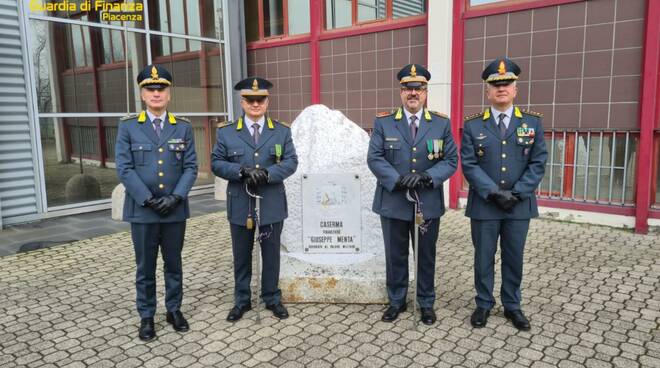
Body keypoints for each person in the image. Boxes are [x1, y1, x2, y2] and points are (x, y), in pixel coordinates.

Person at [461, 57, 548, 331]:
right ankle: (483, 304)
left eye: (506, 83)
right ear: (487, 90)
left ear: (515, 89)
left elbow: (538, 161)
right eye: (495, 84)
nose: (501, 88)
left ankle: (512, 306)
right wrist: (493, 192)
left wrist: (517, 193)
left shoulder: (532, 122)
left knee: (514, 257)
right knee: (483, 257)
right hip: (485, 205)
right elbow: (469, 163)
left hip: (518, 206)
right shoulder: (474, 125)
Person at [367, 64, 458, 325]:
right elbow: (374, 158)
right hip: (393, 202)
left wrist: (427, 177)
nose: (413, 93)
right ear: (401, 92)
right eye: (408, 88)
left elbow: (451, 160)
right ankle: (396, 301)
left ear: (426, 92)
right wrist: (398, 180)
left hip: (427, 202)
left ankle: (426, 302)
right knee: (395, 255)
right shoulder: (384, 122)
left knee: (426, 255)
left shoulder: (440, 123)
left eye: (418, 89)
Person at [116, 64, 198, 341]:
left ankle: (174, 310)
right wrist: (148, 200)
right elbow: (124, 168)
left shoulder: (183, 127)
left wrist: (176, 197)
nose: (155, 93)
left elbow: (191, 167)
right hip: (143, 212)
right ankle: (147, 315)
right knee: (145, 267)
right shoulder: (128, 126)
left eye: (161, 88)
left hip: (174, 210)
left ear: (169, 94)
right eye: (150, 89)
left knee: (173, 264)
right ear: (142, 94)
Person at [211, 77, 298, 322]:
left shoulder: (282, 131)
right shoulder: (227, 132)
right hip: (241, 201)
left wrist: (268, 174)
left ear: (267, 101)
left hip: (270, 201)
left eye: (260, 99)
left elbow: (291, 162)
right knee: (241, 254)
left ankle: (272, 297)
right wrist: (241, 172)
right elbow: (216, 163)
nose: (256, 103)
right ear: (242, 102)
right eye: (250, 99)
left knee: (271, 253)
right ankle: (242, 300)